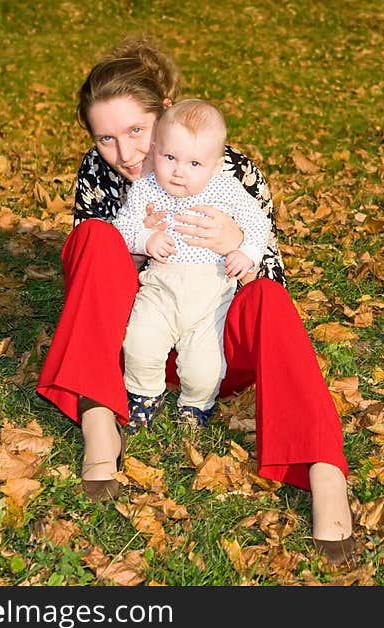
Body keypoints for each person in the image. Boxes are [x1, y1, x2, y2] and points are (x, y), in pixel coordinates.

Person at [35, 35, 354, 565]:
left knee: (270, 301)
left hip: (213, 342)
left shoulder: (230, 172)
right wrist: (140, 247)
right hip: (134, 338)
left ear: (165, 114)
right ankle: (96, 415)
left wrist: (238, 245)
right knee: (95, 238)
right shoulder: (98, 172)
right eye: (106, 138)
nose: (126, 153)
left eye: (137, 131)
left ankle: (322, 468)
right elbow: (96, 282)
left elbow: (265, 278)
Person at [112, 98, 270, 433]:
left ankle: (197, 405)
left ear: (215, 166)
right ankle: (143, 395)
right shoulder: (145, 189)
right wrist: (145, 239)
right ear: (155, 151)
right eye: (170, 157)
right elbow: (121, 228)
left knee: (206, 365)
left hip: (210, 297)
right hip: (160, 289)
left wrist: (247, 251)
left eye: (194, 163)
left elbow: (258, 223)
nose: (179, 170)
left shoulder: (227, 189)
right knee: (140, 341)